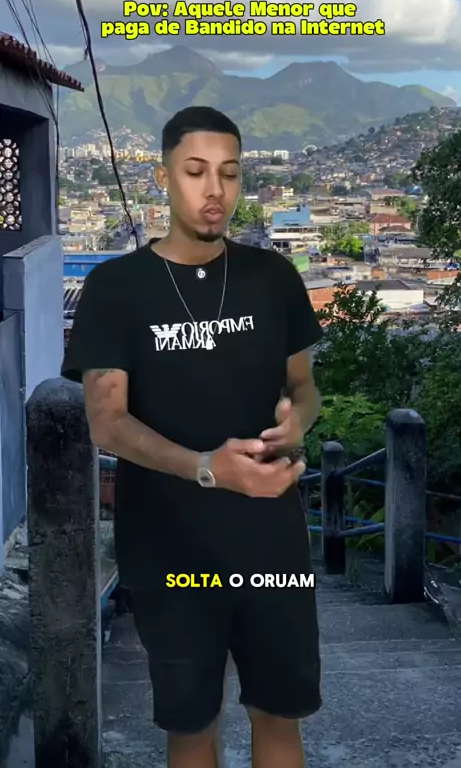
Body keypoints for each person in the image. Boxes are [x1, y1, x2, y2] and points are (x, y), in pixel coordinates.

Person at [62, 106, 322, 768]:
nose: (215, 191)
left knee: (280, 714)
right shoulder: (115, 288)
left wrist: (299, 418)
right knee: (192, 725)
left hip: (272, 539)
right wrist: (207, 466)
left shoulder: (274, 278)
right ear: (163, 178)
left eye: (229, 174)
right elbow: (106, 420)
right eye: (196, 171)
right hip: (170, 548)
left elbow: (304, 387)